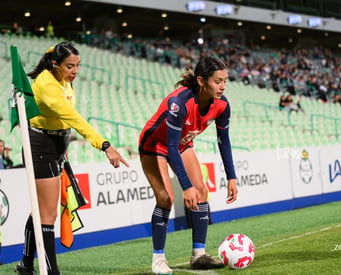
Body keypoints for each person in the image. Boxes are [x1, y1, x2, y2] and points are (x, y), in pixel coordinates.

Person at [15, 42, 129, 275]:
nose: (75, 71)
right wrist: (104, 145)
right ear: (55, 64)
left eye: (78, 66)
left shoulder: (64, 79)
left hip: (57, 145)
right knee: (48, 214)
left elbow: (64, 120)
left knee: (40, 211)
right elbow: (74, 117)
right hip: (41, 147)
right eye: (70, 66)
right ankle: (50, 271)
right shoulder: (46, 84)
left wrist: (63, 148)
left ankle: (25, 265)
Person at [138, 56, 238, 274]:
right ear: (201, 81)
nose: (222, 86)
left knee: (202, 191)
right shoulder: (179, 102)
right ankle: (158, 259)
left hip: (182, 143)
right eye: (217, 81)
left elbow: (224, 140)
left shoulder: (222, 105)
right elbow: (170, 146)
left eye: (225, 81)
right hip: (154, 144)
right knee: (166, 198)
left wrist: (232, 176)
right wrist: (186, 186)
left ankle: (198, 255)